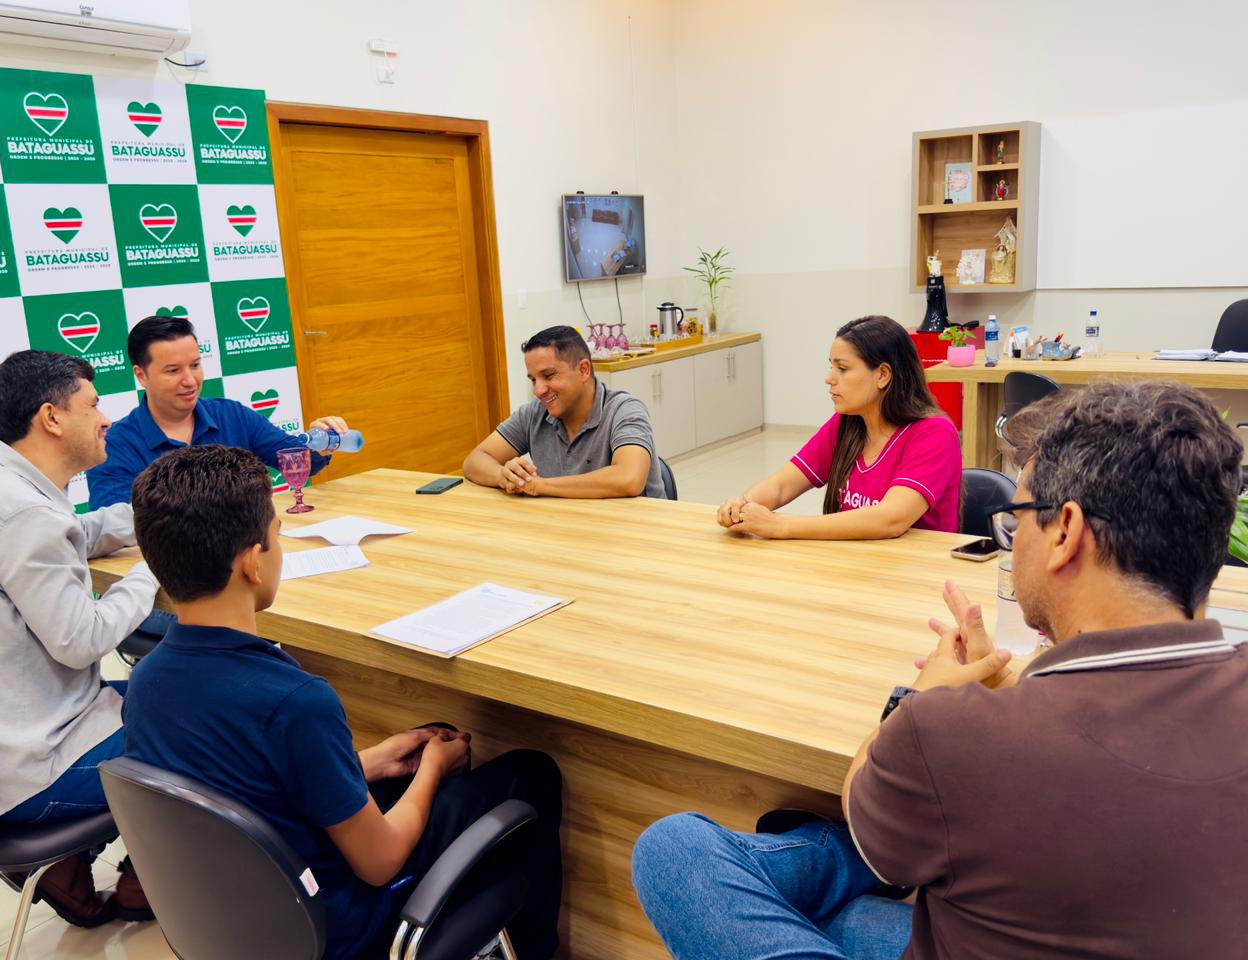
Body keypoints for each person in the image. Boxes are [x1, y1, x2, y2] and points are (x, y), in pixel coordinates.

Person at [633, 380, 1248, 959]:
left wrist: (918, 699)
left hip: (909, 844)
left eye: (1018, 515)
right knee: (841, 919)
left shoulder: (953, 733)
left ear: (1065, 533)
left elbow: (861, 800)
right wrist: (1024, 683)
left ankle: (832, 859)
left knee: (676, 852)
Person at [124, 445, 564, 960]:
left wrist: (370, 763)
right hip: (338, 930)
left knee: (419, 748)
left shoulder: (146, 683)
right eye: (276, 536)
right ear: (251, 563)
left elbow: (247, 785)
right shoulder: (295, 700)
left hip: (244, 922)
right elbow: (380, 863)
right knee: (530, 775)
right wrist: (432, 771)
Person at [0, 350, 158, 927]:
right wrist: (153, 570)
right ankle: (144, 884)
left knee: (157, 692)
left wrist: (151, 516)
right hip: (31, 774)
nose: (106, 419)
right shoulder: (26, 514)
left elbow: (69, 536)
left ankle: (68, 875)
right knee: (207, 727)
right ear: (52, 418)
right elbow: (82, 639)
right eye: (93, 405)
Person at [717, 315, 960, 538]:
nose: (829, 378)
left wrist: (780, 525)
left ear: (883, 375)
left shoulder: (935, 434)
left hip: (914, 574)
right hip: (855, 566)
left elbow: (891, 519)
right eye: (831, 366)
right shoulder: (847, 423)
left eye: (842, 369)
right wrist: (743, 504)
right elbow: (781, 486)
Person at [86, 314, 351, 509]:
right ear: (141, 375)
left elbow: (296, 458)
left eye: (195, 365)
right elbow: (114, 525)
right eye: (173, 371)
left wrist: (320, 442)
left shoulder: (232, 415)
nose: (190, 380)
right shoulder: (115, 445)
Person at [463, 325, 666, 498]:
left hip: (637, 536)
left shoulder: (624, 410)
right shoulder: (535, 412)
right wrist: (504, 476)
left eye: (548, 376)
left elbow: (629, 479)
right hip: (570, 531)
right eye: (533, 379)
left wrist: (541, 486)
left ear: (583, 370)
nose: (538, 390)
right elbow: (474, 461)